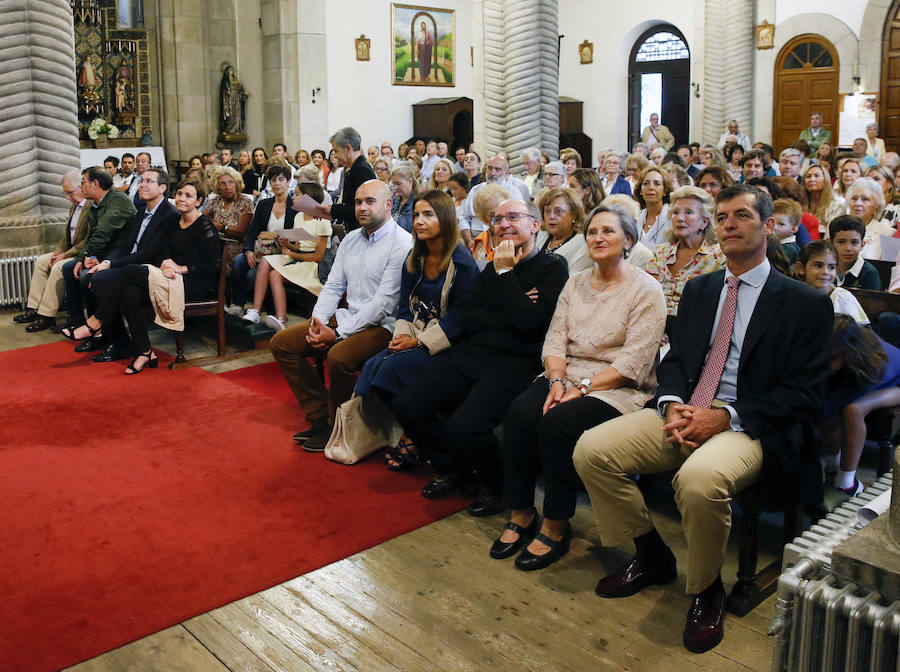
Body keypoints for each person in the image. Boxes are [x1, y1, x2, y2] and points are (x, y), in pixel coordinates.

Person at [573, 184, 834, 655]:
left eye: (741, 216)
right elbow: (677, 359)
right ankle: (651, 553)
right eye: (723, 217)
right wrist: (672, 402)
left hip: (752, 423)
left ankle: (706, 587)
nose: (729, 224)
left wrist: (725, 416)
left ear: (767, 226)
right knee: (592, 449)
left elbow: (805, 393)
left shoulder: (804, 302)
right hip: (688, 406)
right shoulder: (701, 288)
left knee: (697, 481)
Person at [493, 203, 666, 567]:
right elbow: (555, 339)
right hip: (566, 374)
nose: (597, 237)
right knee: (520, 412)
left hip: (617, 386)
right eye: (592, 232)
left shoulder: (646, 289)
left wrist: (583, 388)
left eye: (608, 231)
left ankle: (556, 524)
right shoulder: (575, 282)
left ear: (629, 240)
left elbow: (634, 362)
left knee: (557, 423)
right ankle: (521, 512)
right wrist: (556, 379)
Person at [391, 198, 569, 509]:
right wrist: (511, 302)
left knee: (466, 425)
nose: (504, 225)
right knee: (408, 403)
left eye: (513, 217)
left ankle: (495, 484)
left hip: (516, 362)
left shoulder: (551, 268)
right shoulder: (491, 269)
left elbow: (529, 324)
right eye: (497, 220)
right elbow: (471, 316)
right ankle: (451, 467)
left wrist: (504, 278)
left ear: (535, 225)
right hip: (474, 353)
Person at [270, 180, 413, 451]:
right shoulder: (351, 239)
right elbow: (334, 285)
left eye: (370, 201)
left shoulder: (402, 242)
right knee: (282, 343)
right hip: (348, 318)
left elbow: (384, 302)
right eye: (358, 202)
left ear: (388, 204)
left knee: (338, 357)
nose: (362, 207)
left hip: (384, 326)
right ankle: (322, 419)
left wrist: (336, 333)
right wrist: (318, 323)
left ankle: (342, 425)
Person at [356, 190, 479, 471]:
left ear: (445, 219)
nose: (419, 221)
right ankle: (417, 433)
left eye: (428, 215)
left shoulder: (462, 264)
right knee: (375, 366)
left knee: (389, 369)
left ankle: (418, 437)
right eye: (416, 215)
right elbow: (404, 307)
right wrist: (404, 335)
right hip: (417, 334)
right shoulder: (415, 257)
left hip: (450, 344)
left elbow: (461, 320)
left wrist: (418, 343)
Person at [65, 177, 221, 375]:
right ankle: (144, 351)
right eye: (180, 194)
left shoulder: (205, 226)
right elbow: (161, 251)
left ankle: (96, 322)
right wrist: (166, 265)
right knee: (130, 293)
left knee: (130, 271)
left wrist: (183, 268)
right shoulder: (173, 221)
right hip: (168, 278)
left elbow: (215, 266)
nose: (182, 199)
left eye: (188, 196)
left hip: (192, 284)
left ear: (199, 201)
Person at [822, 315, 900, 496]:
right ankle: (832, 469)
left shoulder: (872, 362)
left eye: (832, 358)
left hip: (896, 383)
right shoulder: (838, 345)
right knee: (828, 409)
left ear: (848, 353)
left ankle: (848, 484)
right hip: (873, 378)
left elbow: (830, 403)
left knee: (854, 410)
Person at [61, 167, 137, 341]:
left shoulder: (118, 200)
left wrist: (89, 257)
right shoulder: (96, 204)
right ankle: (78, 321)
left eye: (83, 183)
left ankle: (103, 333)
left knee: (87, 276)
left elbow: (103, 233)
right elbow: (91, 236)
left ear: (95, 184)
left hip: (123, 253)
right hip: (105, 252)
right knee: (69, 268)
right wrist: (82, 258)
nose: (81, 187)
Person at [243, 182, 332, 331]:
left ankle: (281, 319)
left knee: (275, 274)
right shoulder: (298, 217)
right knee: (266, 261)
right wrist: (288, 244)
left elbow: (318, 257)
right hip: (299, 257)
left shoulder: (322, 221)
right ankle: (257, 311)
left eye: (297, 194)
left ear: (307, 198)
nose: (293, 197)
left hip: (313, 264)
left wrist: (291, 253)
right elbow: (298, 245)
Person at [15, 171, 91, 332]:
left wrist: (65, 255)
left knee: (58, 267)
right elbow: (66, 236)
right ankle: (33, 308)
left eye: (70, 192)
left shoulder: (91, 207)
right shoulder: (74, 207)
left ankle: (47, 315)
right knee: (42, 261)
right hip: (69, 250)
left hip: (81, 253)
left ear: (81, 188)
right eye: (65, 193)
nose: (67, 197)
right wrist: (57, 252)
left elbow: (87, 240)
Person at [646, 186, 725, 319]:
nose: (680, 218)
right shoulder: (661, 253)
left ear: (704, 222)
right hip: (655, 324)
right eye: (676, 212)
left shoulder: (719, 256)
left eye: (688, 212)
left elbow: (715, 307)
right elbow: (648, 296)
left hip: (695, 327)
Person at [312, 127, 375, 233]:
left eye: (336, 151)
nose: (335, 156)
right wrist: (330, 210)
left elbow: (362, 207)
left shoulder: (361, 170)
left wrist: (331, 210)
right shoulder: (354, 168)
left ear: (348, 148)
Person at [458, 154, 530, 242]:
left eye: (498, 169)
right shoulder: (475, 190)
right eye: (490, 168)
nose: (492, 173)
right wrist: (469, 242)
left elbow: (519, 222)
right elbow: (464, 218)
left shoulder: (514, 193)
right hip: (475, 239)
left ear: (506, 173)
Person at [795, 240, 868, 324]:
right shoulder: (795, 295)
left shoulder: (842, 298)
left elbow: (858, 332)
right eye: (818, 266)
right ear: (800, 268)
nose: (825, 272)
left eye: (831, 267)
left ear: (837, 270)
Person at [536, 187, 592, 275]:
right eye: (547, 211)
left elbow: (572, 281)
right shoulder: (540, 234)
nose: (551, 216)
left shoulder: (584, 244)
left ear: (574, 215)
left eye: (558, 211)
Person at [204, 166, 254, 252]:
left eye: (231, 182)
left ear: (237, 184)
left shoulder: (245, 202)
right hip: (214, 242)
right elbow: (202, 219)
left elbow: (241, 232)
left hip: (236, 244)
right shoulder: (215, 200)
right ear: (218, 187)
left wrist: (221, 227)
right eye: (223, 184)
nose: (228, 187)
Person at [830, 215, 881, 290]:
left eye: (854, 242)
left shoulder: (869, 274)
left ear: (862, 245)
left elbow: (873, 301)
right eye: (841, 242)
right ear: (830, 243)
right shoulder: (826, 269)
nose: (848, 248)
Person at [847, 177, 893, 261]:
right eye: (854, 199)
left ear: (876, 208)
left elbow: (887, 269)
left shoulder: (888, 234)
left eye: (865, 199)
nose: (858, 203)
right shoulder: (836, 227)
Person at [470, 185, 512, 268]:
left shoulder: (517, 238)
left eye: (506, 213)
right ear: (484, 219)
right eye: (495, 217)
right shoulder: (481, 240)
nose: (503, 223)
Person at [635, 165, 673, 248]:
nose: (651, 187)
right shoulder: (636, 217)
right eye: (646, 183)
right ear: (640, 190)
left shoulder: (673, 217)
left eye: (657, 184)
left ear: (665, 190)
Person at [802, 164, 845, 236]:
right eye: (808, 176)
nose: (812, 179)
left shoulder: (838, 205)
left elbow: (833, 231)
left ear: (826, 179)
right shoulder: (799, 204)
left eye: (816, 175)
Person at [390, 162, 418, 234]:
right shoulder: (394, 200)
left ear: (410, 181)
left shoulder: (418, 203)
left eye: (398, 183)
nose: (395, 187)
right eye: (394, 184)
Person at [772, 198, 802, 264]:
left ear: (794, 229)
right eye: (772, 222)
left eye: (781, 224)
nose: (774, 227)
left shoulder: (789, 249)